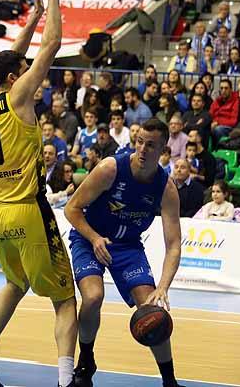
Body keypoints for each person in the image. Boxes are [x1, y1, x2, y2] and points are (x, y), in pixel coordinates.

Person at [0, 0, 78, 387]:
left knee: (14, 283)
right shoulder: (19, 96)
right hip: (28, 211)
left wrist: (30, 17)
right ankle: (66, 380)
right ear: (16, 78)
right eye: (22, 73)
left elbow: (14, 59)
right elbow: (49, 48)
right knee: (65, 299)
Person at [64, 119, 183, 387]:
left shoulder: (166, 189)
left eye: (150, 145)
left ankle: (169, 381)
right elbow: (71, 209)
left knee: (152, 310)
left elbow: (173, 244)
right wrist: (94, 238)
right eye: (139, 141)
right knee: (93, 297)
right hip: (89, 237)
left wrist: (163, 287)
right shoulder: (109, 168)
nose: (142, 149)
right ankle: (86, 361)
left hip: (128, 246)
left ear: (164, 149)